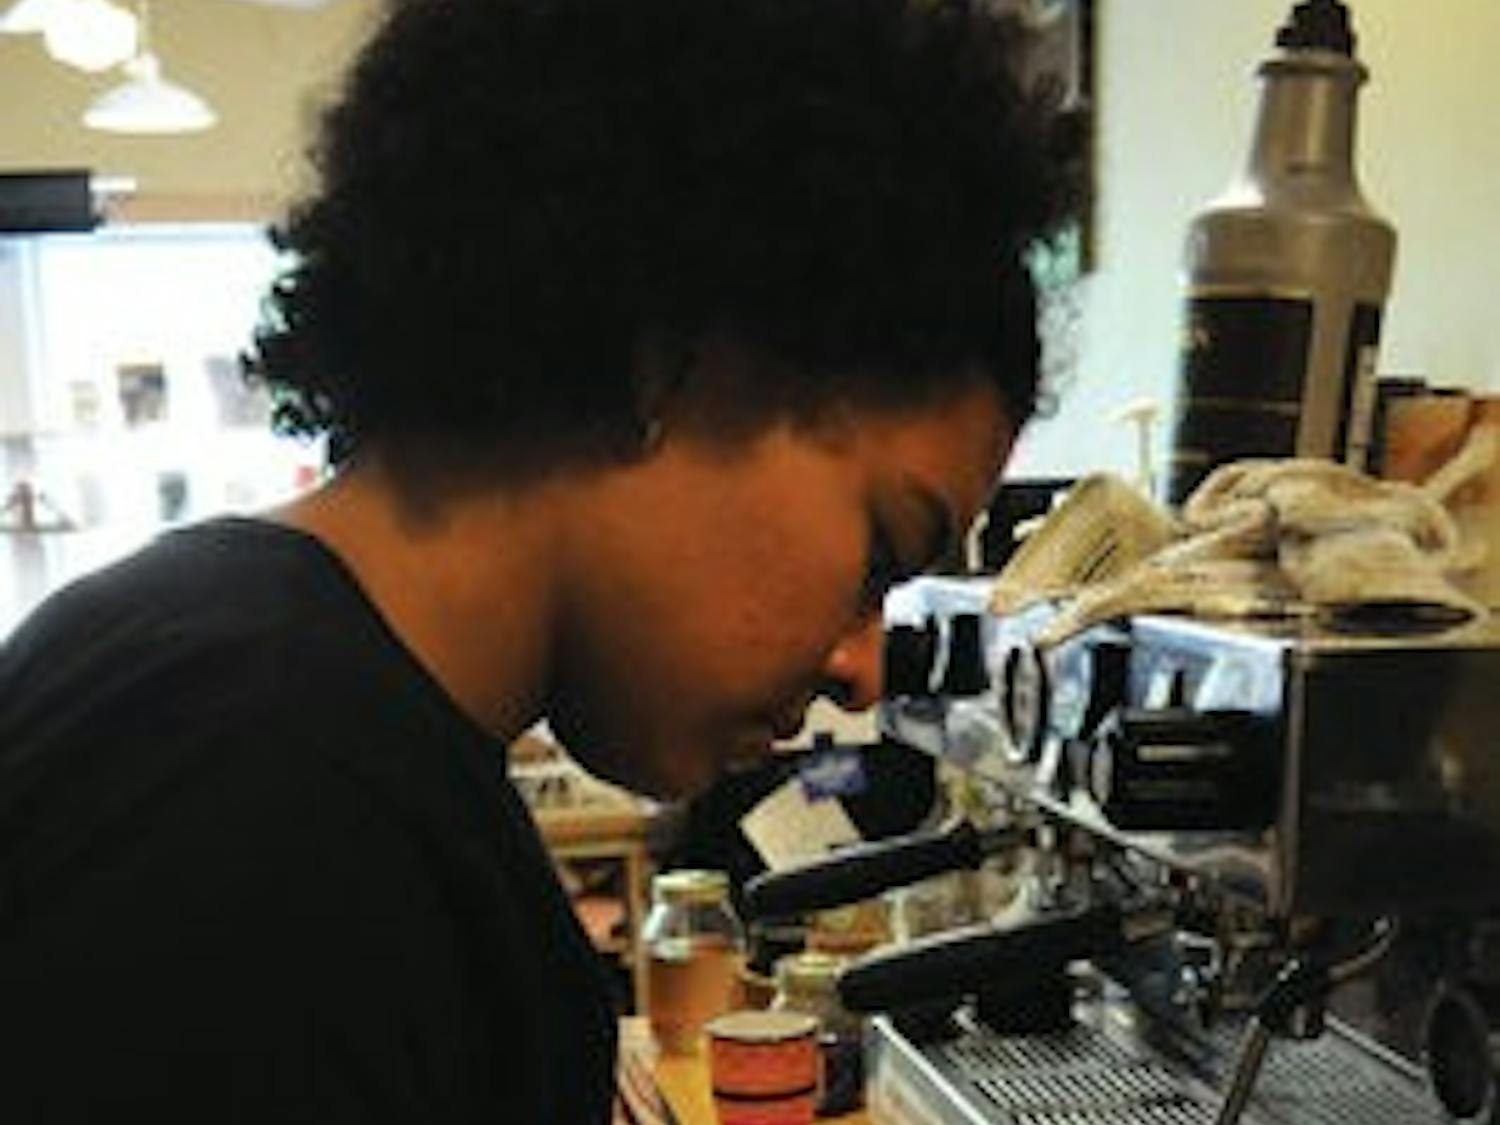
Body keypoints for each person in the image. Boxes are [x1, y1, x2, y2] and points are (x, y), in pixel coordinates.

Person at [0, 0, 1083, 1119]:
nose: (861, 668)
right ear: (672, 360)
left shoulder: (305, 711)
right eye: (880, 554)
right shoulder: (243, 786)